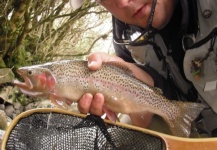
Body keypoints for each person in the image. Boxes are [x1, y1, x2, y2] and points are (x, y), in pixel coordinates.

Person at [70, 0, 217, 136]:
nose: (122, 2)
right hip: (192, 119)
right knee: (127, 128)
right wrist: (143, 79)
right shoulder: (124, 39)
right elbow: (170, 91)